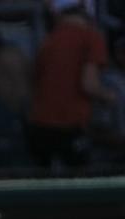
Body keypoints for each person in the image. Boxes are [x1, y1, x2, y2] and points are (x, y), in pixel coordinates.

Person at [26, 0, 116, 170]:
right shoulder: (90, 37)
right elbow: (89, 85)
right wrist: (110, 96)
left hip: (39, 126)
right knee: (81, 186)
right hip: (69, 126)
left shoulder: (49, 41)